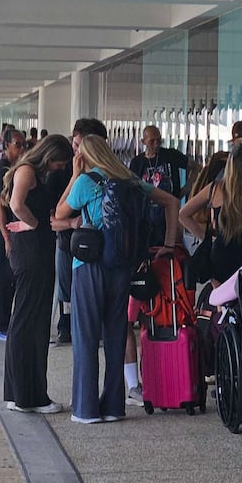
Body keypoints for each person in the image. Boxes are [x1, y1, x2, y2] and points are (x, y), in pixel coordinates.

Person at [55, 134, 180, 424]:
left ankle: (86, 409)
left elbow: (60, 212)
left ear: (85, 156)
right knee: (115, 334)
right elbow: (172, 202)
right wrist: (169, 244)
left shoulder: (86, 182)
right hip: (122, 267)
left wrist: (74, 175)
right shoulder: (131, 181)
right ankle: (113, 406)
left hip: (89, 266)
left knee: (86, 336)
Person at [0, 133, 74, 413]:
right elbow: (17, 205)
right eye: (59, 163)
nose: (59, 168)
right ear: (49, 156)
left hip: (32, 251)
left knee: (26, 320)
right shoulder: (28, 171)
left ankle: (18, 393)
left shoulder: (30, 171)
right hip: (33, 252)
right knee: (31, 321)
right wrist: (33, 224)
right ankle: (30, 397)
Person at [179, 142, 242, 286]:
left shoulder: (214, 189)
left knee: (221, 298)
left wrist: (204, 237)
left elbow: (183, 214)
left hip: (219, 259)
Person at [50, 117, 110, 346]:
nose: (77, 151)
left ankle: (94, 327)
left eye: (83, 146)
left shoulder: (108, 174)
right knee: (66, 289)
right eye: (75, 144)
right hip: (69, 242)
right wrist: (72, 223)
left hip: (101, 246)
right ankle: (65, 325)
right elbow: (53, 218)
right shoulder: (62, 171)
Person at [0, 129, 26, 342]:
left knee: (11, 279)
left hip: (11, 231)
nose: (21, 149)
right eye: (17, 145)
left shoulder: (17, 168)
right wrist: (6, 238)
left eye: (24, 145)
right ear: (7, 145)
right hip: (2, 233)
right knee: (2, 280)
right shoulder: (2, 170)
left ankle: (6, 322)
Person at [129, 125, 187, 246]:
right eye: (152, 141)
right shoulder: (137, 162)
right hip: (146, 215)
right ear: (143, 141)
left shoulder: (170, 155)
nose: (156, 144)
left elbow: (195, 167)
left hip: (167, 214)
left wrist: (183, 191)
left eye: (159, 140)